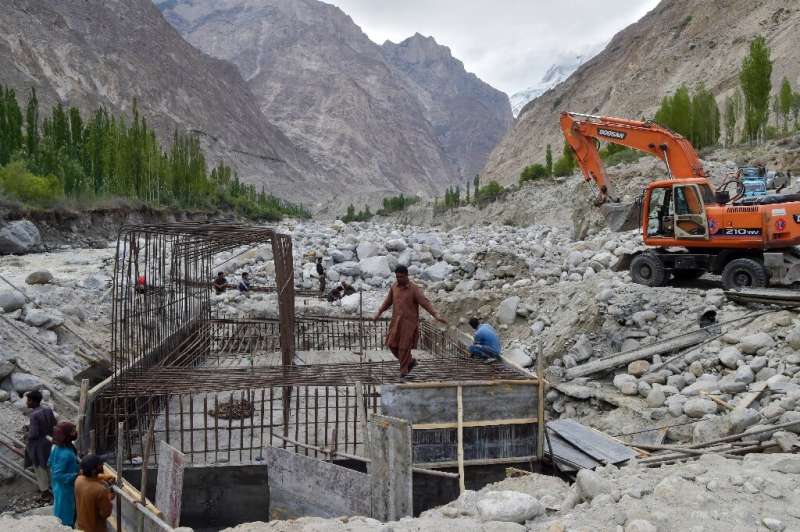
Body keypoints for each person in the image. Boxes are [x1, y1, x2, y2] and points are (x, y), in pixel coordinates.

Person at [374, 265, 447, 377]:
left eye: (401, 277)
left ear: (407, 275)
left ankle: (404, 372)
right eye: (397, 277)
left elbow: (425, 303)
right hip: (396, 322)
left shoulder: (414, 289)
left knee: (403, 348)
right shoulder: (394, 287)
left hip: (408, 324)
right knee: (392, 345)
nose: (399, 279)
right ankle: (410, 361)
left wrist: (436, 315)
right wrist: (378, 313)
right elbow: (387, 302)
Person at [24, 390, 57, 501]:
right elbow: (54, 425)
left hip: (38, 446)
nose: (26, 402)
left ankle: (45, 493)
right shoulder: (48, 410)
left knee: (40, 468)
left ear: (33, 401)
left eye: (28, 400)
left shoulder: (34, 415)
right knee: (50, 466)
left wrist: (26, 434)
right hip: (49, 442)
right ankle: (55, 489)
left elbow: (34, 434)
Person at [48, 421, 80, 527]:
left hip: (59, 487)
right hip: (66, 489)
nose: (75, 432)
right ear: (66, 435)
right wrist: (76, 475)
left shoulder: (58, 448)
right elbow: (57, 475)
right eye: (73, 431)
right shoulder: (66, 454)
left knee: (61, 509)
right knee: (66, 516)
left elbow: (50, 462)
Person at [75, 454, 114, 532]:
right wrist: (109, 496)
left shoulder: (78, 480)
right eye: (100, 465)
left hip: (81, 526)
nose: (102, 465)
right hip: (96, 529)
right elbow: (105, 513)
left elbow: (90, 478)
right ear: (94, 471)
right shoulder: (100, 490)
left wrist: (104, 477)